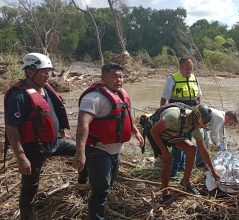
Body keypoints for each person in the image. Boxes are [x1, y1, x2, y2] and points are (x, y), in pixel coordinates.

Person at [4, 53, 88, 220]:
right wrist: (21, 157)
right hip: (33, 148)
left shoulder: (46, 88)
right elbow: (11, 128)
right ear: (29, 72)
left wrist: (61, 131)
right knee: (30, 187)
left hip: (54, 142)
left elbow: (51, 112)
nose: (48, 75)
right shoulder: (18, 95)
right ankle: (27, 216)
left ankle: (82, 187)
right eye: (43, 71)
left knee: (84, 154)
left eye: (49, 71)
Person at [72, 63, 144, 219]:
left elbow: (126, 117)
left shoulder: (122, 94)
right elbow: (83, 125)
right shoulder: (93, 98)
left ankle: (97, 206)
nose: (118, 80)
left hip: (115, 151)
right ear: (103, 77)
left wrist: (136, 131)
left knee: (107, 185)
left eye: (121, 76)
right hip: (98, 150)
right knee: (100, 192)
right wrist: (80, 152)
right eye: (114, 76)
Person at [150, 104, 220, 200]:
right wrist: (165, 152)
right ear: (194, 117)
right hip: (157, 133)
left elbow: (203, 149)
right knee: (168, 161)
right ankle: (164, 192)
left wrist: (213, 170)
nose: (200, 127)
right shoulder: (173, 116)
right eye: (199, 124)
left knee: (192, 149)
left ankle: (186, 182)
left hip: (173, 133)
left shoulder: (196, 127)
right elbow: (153, 131)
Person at [160, 57, 202, 177]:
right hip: (177, 117)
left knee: (189, 140)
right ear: (180, 67)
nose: (189, 71)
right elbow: (164, 98)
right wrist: (161, 114)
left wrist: (198, 112)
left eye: (191, 68)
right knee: (179, 143)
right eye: (186, 68)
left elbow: (198, 98)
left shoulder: (195, 78)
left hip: (192, 117)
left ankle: (182, 167)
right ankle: (173, 171)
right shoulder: (172, 79)